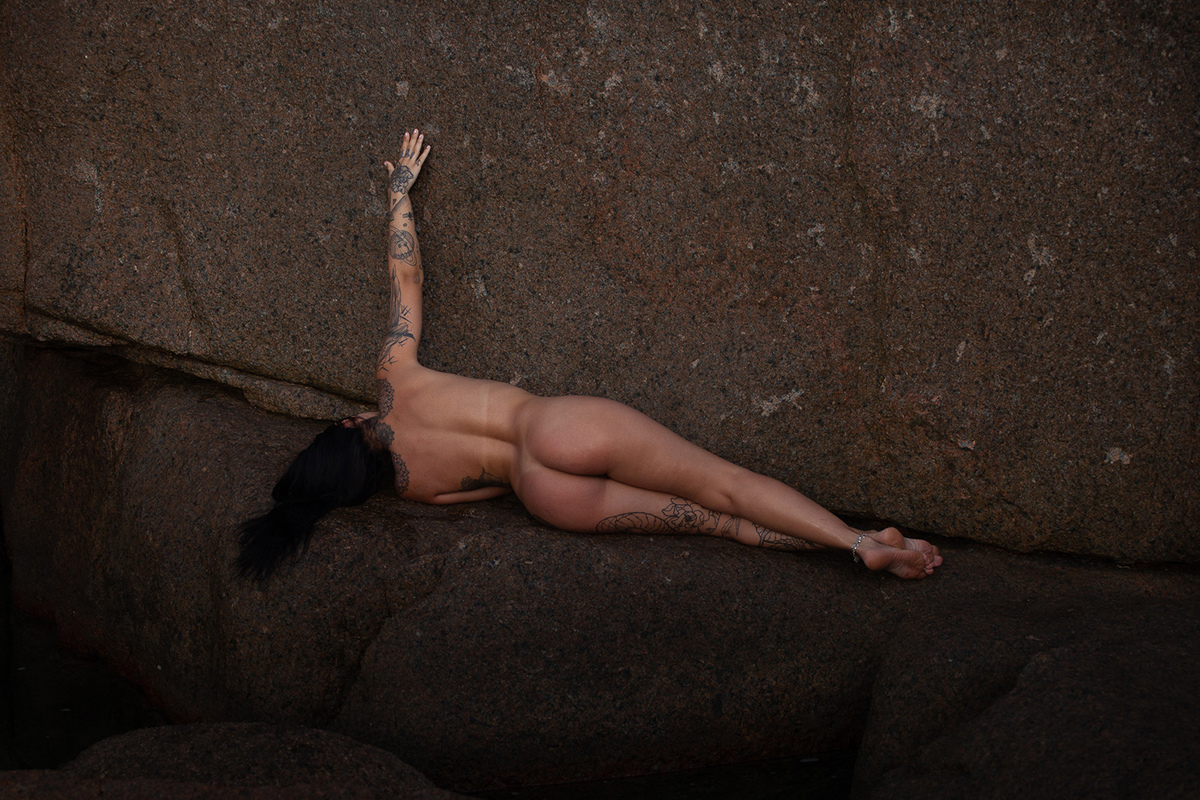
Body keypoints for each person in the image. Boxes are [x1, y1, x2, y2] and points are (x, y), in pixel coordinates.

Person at [237, 129, 943, 582]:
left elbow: (490, 493)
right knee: (720, 480)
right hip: (554, 428)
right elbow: (406, 280)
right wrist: (398, 196)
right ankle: (853, 540)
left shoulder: (414, 486)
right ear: (346, 426)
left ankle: (861, 550)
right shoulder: (394, 378)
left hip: (545, 494)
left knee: (721, 522)